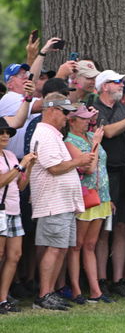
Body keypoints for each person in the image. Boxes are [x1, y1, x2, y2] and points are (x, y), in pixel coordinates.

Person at [30, 94, 94, 310]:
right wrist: (79, 161)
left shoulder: (53, 134)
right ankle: (43, 295)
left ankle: (50, 292)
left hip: (63, 202)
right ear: (51, 110)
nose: (68, 117)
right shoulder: (45, 134)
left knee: (61, 248)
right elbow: (53, 168)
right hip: (52, 201)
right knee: (54, 248)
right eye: (65, 112)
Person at [93, 70, 125, 297]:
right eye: (116, 82)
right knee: (104, 229)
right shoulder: (95, 108)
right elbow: (108, 132)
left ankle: (119, 278)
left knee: (123, 226)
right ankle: (100, 278)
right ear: (105, 86)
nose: (121, 85)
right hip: (104, 174)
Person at [64, 105, 113, 304]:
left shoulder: (90, 136)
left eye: (88, 119)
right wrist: (95, 144)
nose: (87, 122)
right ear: (72, 121)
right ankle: (76, 289)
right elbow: (89, 168)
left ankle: (95, 290)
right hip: (84, 197)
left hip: (101, 196)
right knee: (77, 245)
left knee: (91, 244)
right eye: (83, 119)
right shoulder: (69, 142)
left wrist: (109, 197)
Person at [0, 121, 36, 313]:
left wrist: (28, 168)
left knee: (14, 255)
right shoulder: (13, 159)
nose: (6, 136)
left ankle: (2, 298)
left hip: (14, 211)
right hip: (0, 211)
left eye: (7, 133)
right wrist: (20, 166)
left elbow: (20, 186)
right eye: (2, 133)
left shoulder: (10, 155)